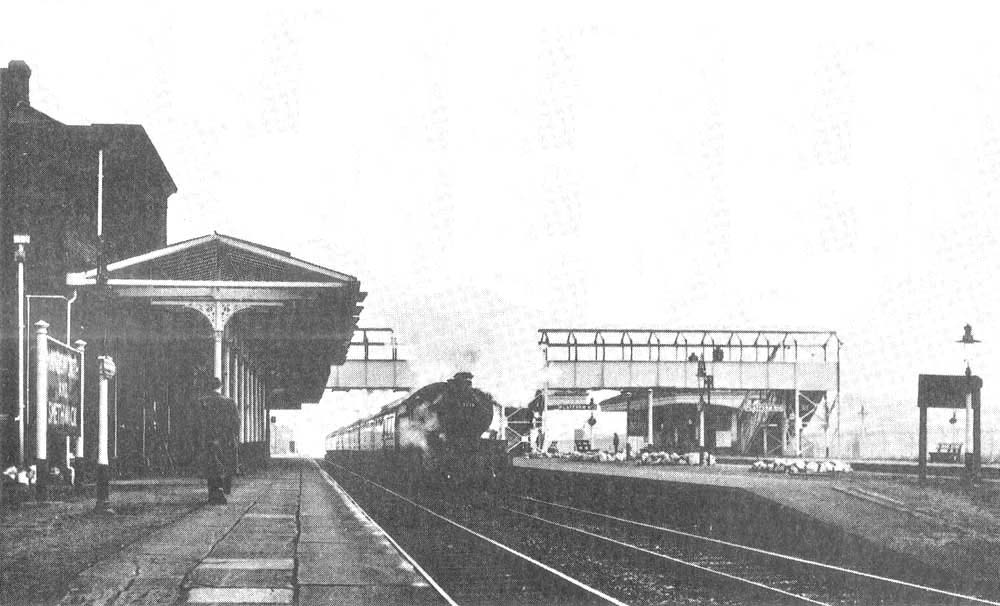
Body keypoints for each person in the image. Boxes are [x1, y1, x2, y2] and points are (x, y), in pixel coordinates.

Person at [195, 377, 239, 504]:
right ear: (221, 387)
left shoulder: (202, 402)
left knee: (211, 466)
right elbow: (236, 422)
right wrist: (233, 437)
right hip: (225, 439)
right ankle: (222, 491)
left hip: (208, 438)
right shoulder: (229, 402)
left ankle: (213, 492)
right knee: (224, 464)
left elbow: (197, 423)